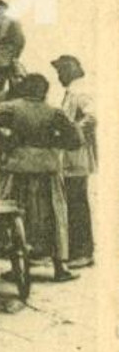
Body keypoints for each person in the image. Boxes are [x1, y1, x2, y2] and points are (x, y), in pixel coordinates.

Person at [0, 72, 82, 281]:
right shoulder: (54, 112)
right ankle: (59, 268)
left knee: (16, 215)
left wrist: (4, 143)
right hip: (47, 169)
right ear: (44, 91)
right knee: (53, 216)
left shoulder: (10, 107)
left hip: (16, 168)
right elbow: (75, 138)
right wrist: (55, 142)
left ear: (25, 88)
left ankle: (17, 267)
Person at [51, 56, 96, 267]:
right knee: (75, 203)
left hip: (76, 158)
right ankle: (78, 251)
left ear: (70, 70)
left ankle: (82, 253)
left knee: (77, 204)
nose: (59, 76)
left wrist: (72, 135)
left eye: (60, 71)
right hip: (72, 158)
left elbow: (92, 117)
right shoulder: (73, 91)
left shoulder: (79, 92)